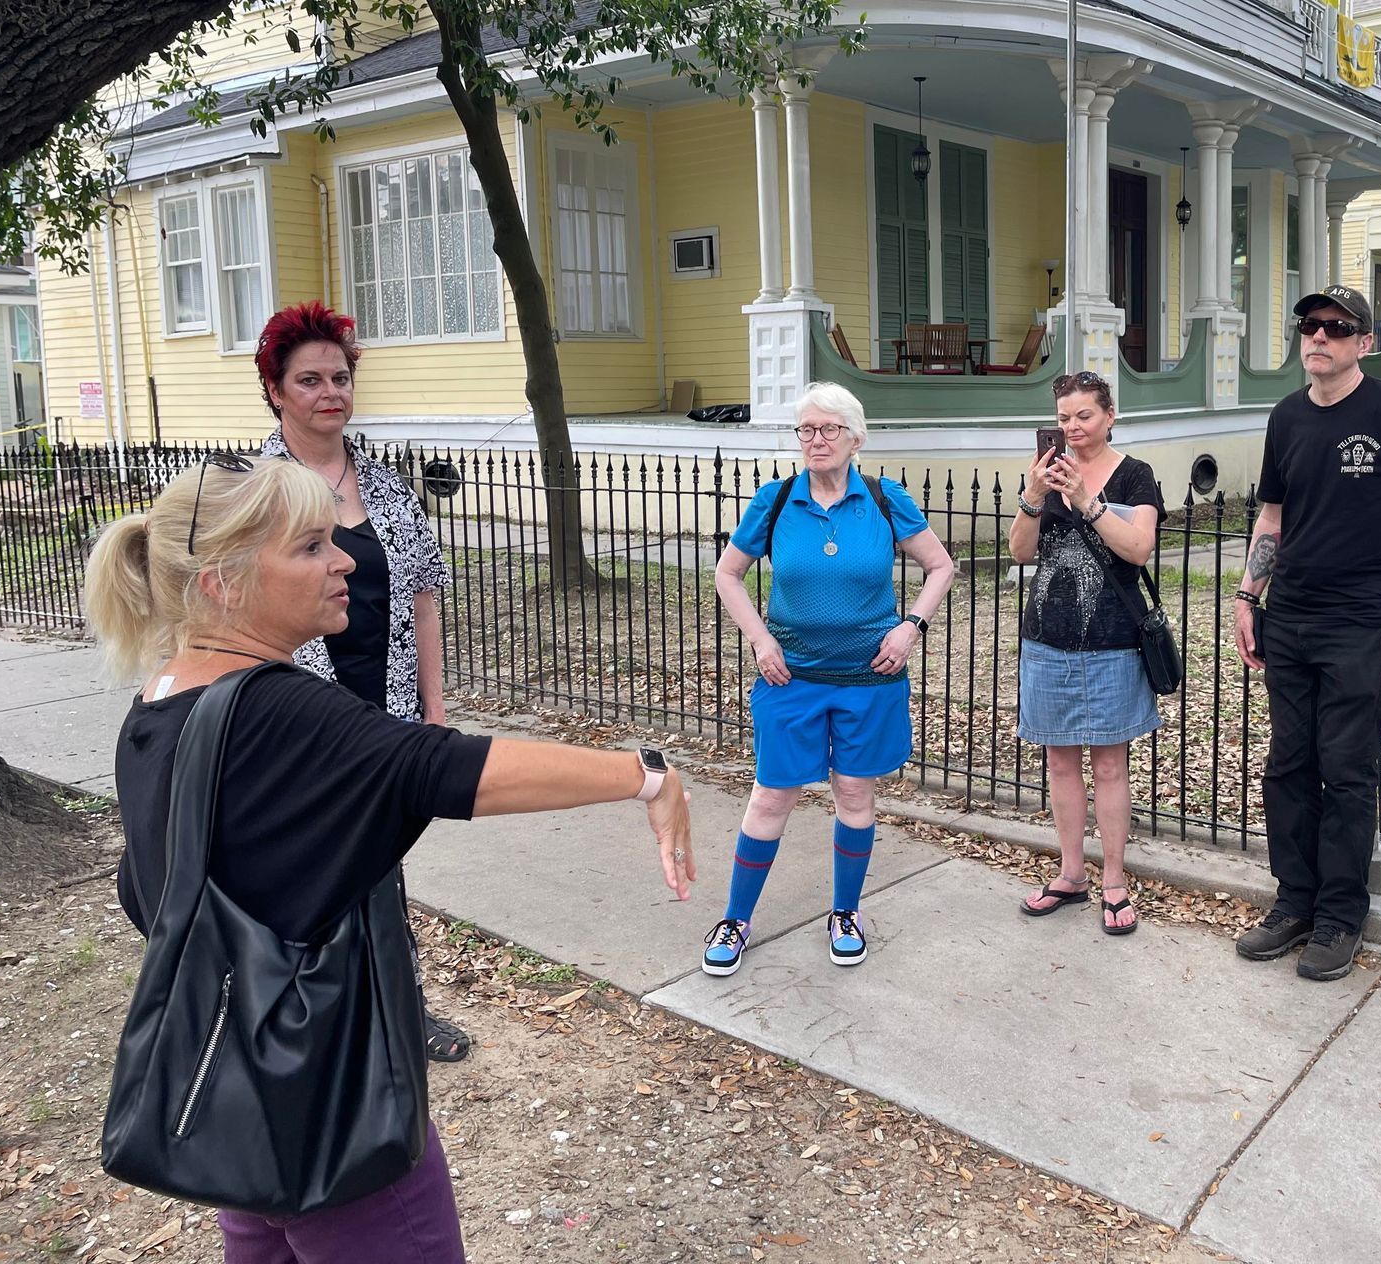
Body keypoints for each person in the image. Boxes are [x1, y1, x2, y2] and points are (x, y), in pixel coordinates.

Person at [85, 454, 694, 1263]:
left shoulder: (161, 701)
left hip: (233, 1109)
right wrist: (644, 773)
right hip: (333, 1121)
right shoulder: (281, 711)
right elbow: (446, 769)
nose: (344, 561)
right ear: (223, 584)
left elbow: (145, 893)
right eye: (309, 548)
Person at [252, 301, 471, 1064]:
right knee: (305, 866)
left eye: (339, 377)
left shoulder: (385, 488)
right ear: (276, 389)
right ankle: (304, 1016)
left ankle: (399, 1010)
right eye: (308, 379)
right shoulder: (254, 490)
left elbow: (424, 596)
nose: (329, 392)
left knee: (380, 863)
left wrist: (434, 713)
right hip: (289, 718)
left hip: (382, 713)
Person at [1231, 284, 1381, 981]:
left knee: (1347, 766)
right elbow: (1271, 516)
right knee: (1288, 765)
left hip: (1362, 617)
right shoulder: (1287, 417)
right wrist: (1249, 594)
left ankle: (1341, 915)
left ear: (1364, 342)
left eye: (1337, 327)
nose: (1320, 337)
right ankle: (1295, 901)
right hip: (1293, 613)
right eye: (1310, 325)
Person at [706, 383, 955, 973]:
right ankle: (735, 921)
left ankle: (845, 911)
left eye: (829, 429)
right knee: (771, 796)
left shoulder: (884, 498)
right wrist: (761, 639)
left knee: (853, 793)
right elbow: (728, 574)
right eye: (806, 430)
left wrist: (911, 628)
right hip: (791, 677)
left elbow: (942, 566)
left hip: (870, 678)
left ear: (855, 437)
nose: (816, 441)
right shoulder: (775, 500)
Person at [1009, 370, 1165, 937]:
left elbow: (1140, 549)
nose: (1073, 428)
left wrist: (1086, 500)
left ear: (1109, 416)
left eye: (1085, 416)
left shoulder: (1135, 475)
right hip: (1047, 640)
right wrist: (1033, 496)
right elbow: (1022, 552)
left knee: (1109, 764)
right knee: (1059, 761)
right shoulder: (1047, 475)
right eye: (1065, 417)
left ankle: (1115, 881)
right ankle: (1071, 873)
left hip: (1113, 642)